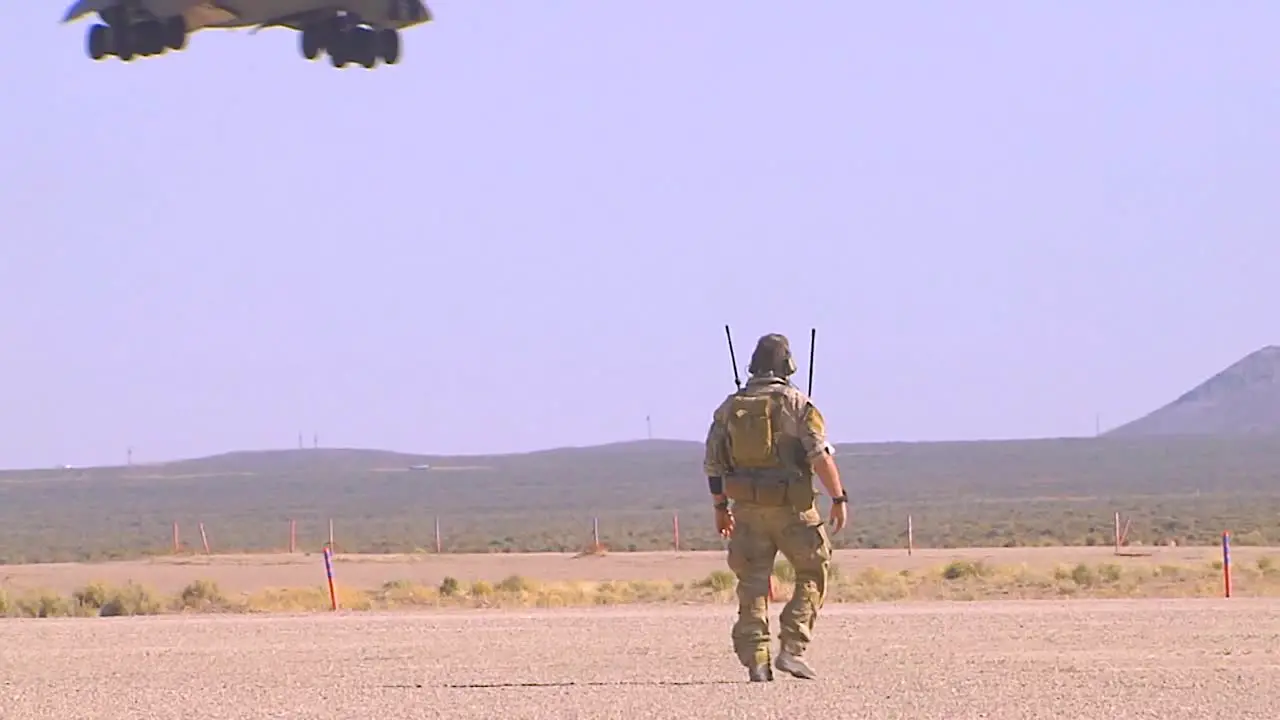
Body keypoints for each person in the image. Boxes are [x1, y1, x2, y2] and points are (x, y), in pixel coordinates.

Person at [703, 332, 848, 682]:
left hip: (747, 509)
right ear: (788, 365)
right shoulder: (797, 404)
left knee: (752, 583)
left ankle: (756, 658)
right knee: (813, 571)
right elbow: (819, 457)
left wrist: (720, 506)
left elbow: (713, 462)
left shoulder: (730, 407)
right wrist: (839, 498)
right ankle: (792, 648)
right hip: (793, 509)